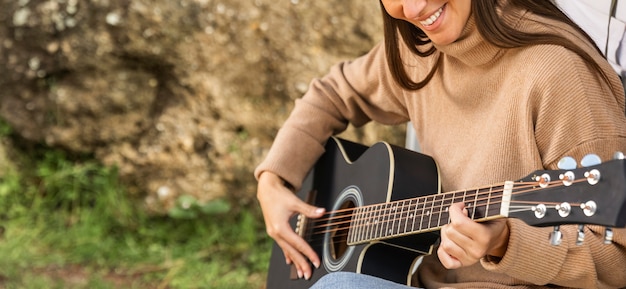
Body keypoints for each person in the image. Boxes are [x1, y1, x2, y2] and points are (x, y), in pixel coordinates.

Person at [255, 0, 626, 288]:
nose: (413, 9)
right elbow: (333, 93)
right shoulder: (420, 52)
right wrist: (273, 179)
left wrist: (505, 243)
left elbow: (618, 259)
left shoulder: (556, 75)